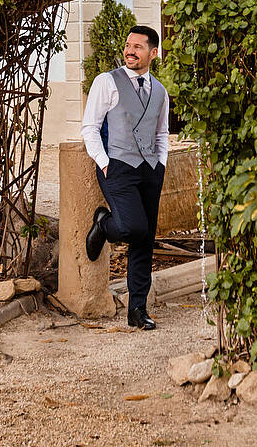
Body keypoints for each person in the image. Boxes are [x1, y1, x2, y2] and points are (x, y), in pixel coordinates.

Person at [81, 24, 168, 330]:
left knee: (144, 240)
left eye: (138, 47)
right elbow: (89, 127)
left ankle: (137, 310)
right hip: (116, 165)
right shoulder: (107, 81)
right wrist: (104, 162)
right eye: (128, 45)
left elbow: (161, 133)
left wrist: (162, 163)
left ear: (153, 53)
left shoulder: (160, 90)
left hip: (150, 169)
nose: (130, 51)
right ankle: (104, 223)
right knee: (132, 228)